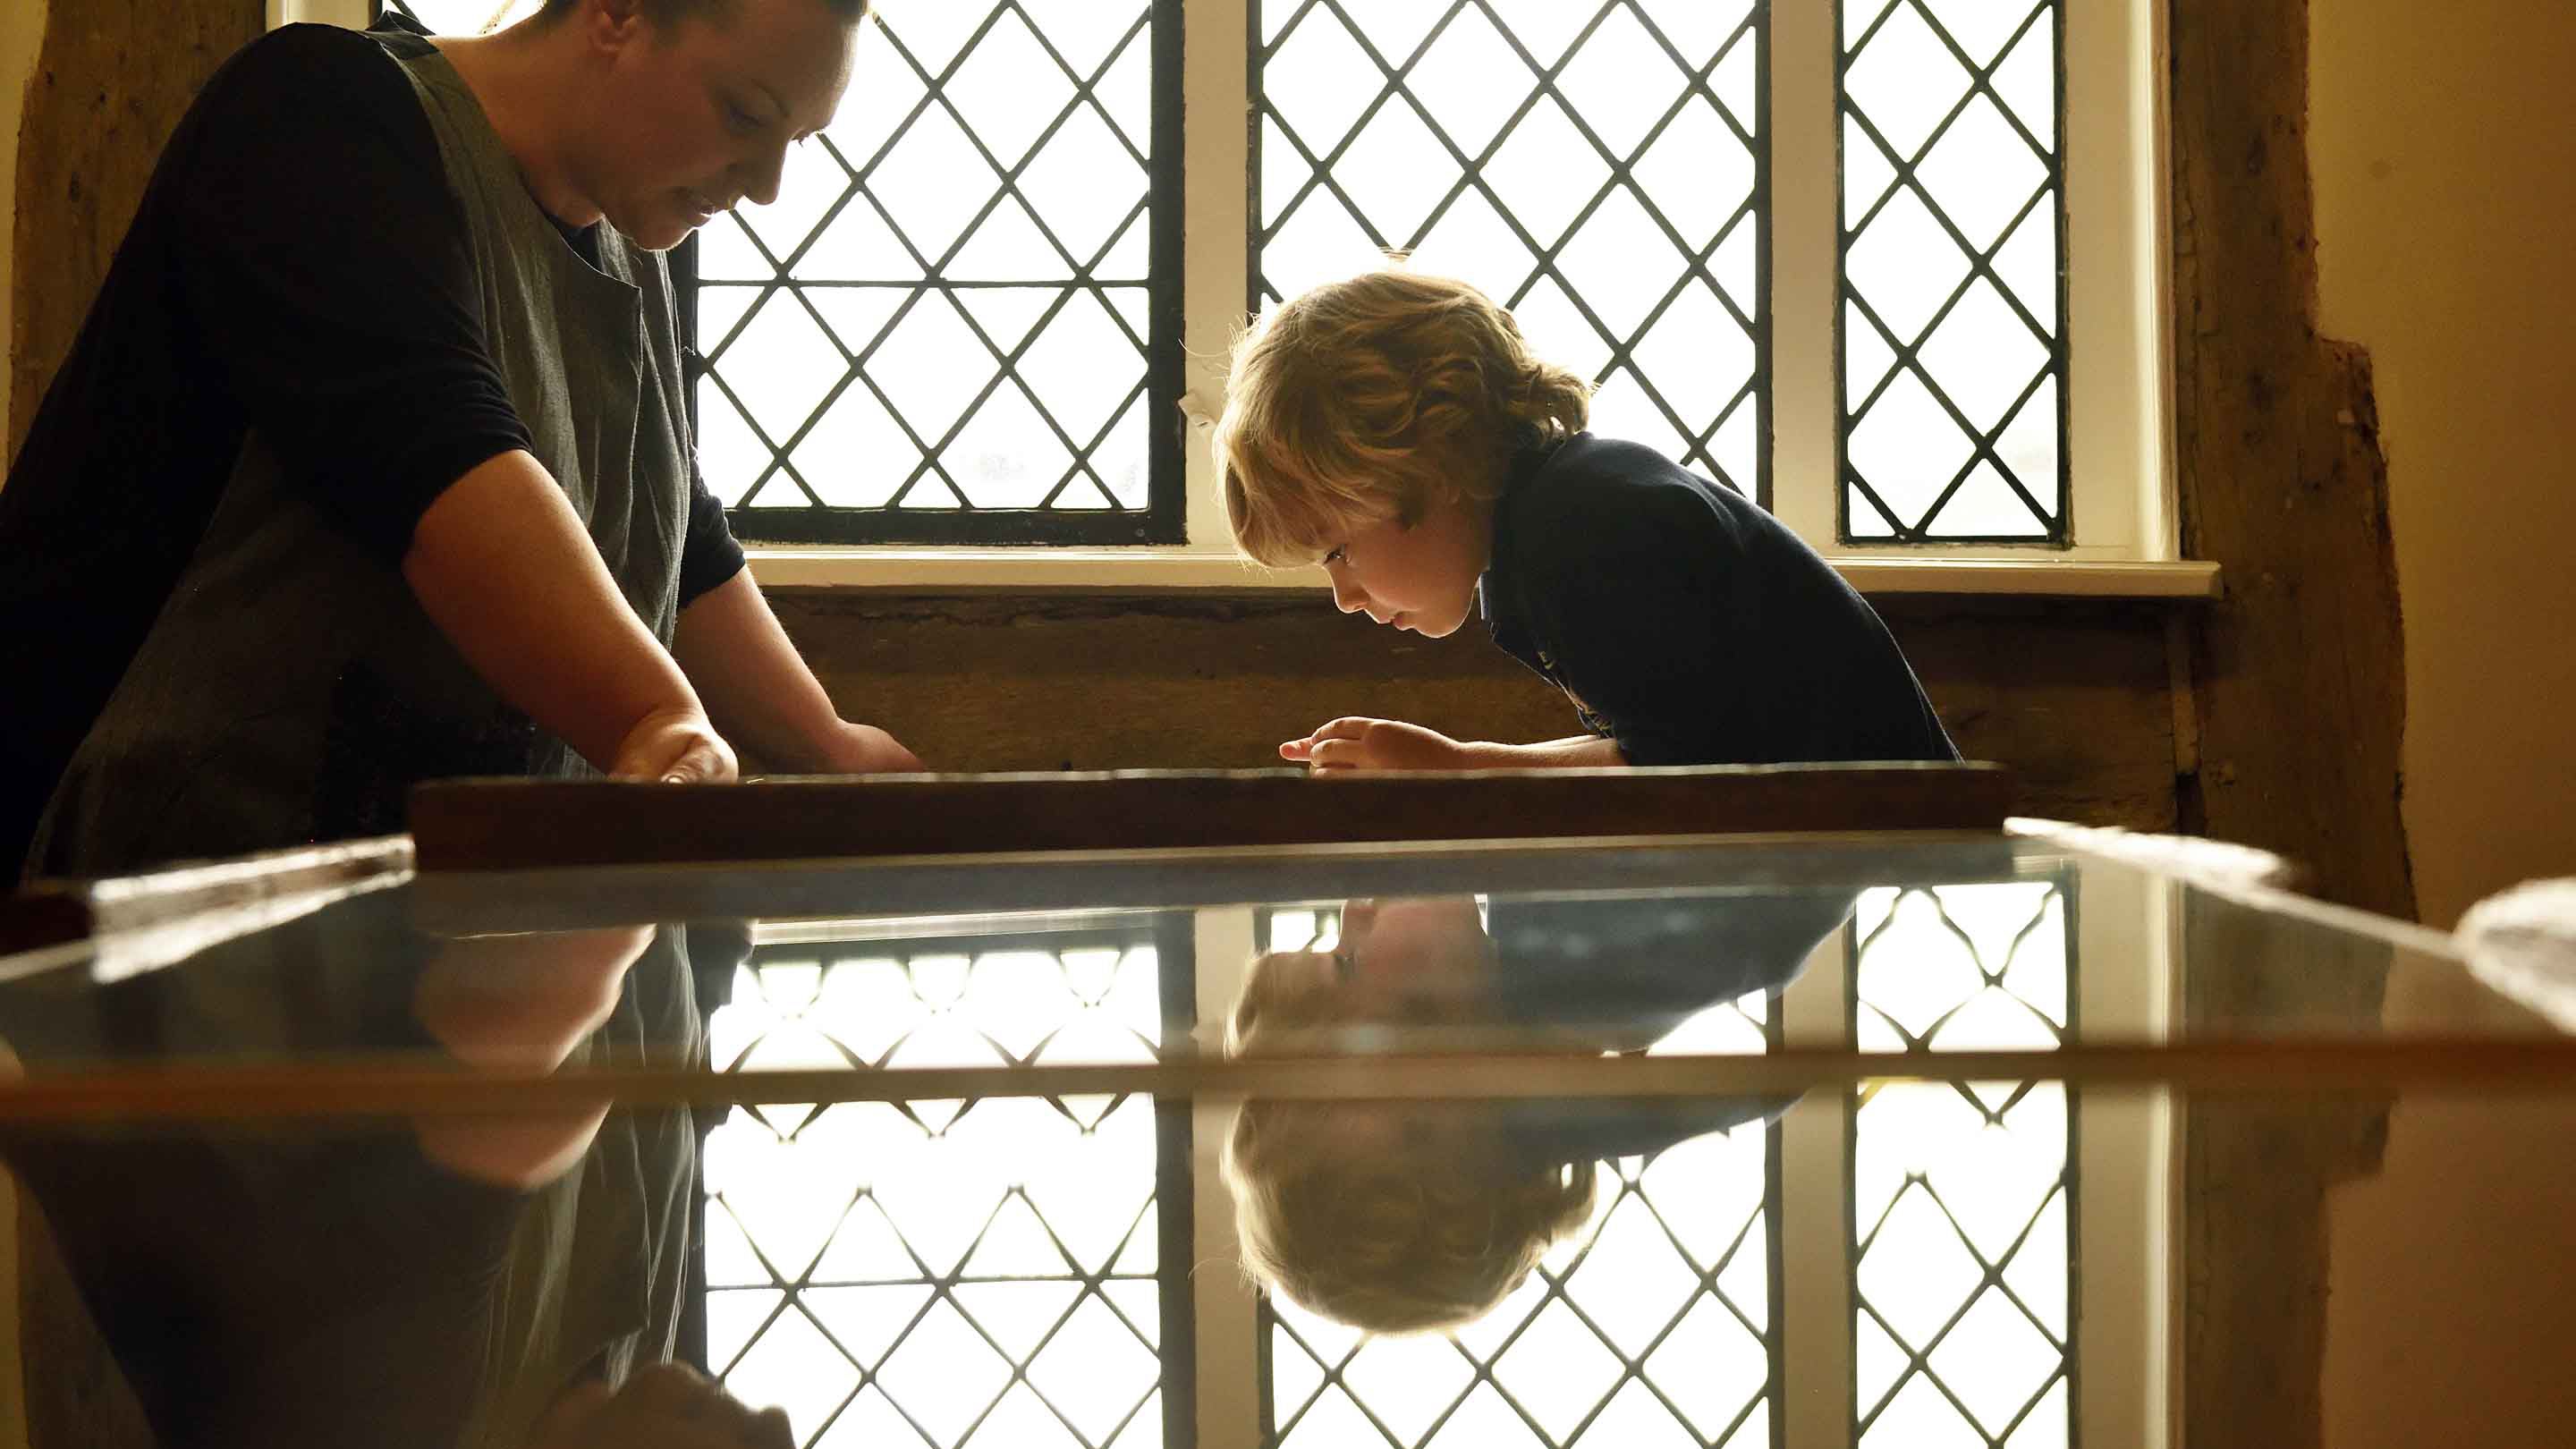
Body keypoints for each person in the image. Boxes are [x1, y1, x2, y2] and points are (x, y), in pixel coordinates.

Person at [0, 0, 918, 884]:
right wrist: (657, 720)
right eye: (744, 114)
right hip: (184, 913)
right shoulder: (319, 113)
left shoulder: (645, 230)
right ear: (617, 12)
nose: (765, 189)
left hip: (465, 935)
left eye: (795, 144)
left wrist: (831, 747)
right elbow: (439, 459)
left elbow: (672, 528)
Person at [1213, 269, 1959, 773]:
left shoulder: (1590, 528)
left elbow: (1688, 777)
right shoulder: (1545, 528)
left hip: (1903, 868)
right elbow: (1679, 752)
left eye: (1338, 550)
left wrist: (1464, 771)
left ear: (1434, 469)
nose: (1344, 596)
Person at [1219, 889, 1850, 1333]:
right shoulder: (1563, 923)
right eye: (1346, 963)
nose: (1355, 909)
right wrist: (1468, 770)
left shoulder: (1585, 978)